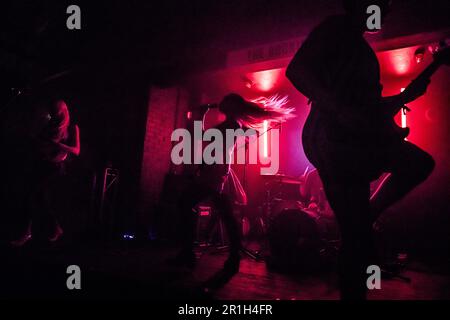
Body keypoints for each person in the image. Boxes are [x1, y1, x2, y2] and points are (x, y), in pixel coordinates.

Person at [286, 0, 435, 299]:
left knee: (360, 233)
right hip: (335, 140)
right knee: (358, 238)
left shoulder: (361, 48)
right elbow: (297, 70)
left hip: (351, 139)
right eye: (381, 6)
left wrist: (404, 96)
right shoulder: (337, 29)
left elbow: (366, 109)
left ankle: (367, 217)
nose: (387, 13)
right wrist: (338, 109)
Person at [172, 93, 293, 274]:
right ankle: (227, 255)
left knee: (188, 203)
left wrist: (201, 116)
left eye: (226, 100)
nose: (221, 102)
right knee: (223, 213)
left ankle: (193, 253)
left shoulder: (230, 125)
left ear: (232, 106)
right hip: (214, 173)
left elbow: (199, 136)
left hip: (214, 174)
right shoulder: (231, 125)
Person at [11, 99, 80, 246]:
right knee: (32, 196)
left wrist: (58, 144)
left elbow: (76, 150)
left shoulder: (72, 128)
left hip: (56, 166)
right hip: (43, 163)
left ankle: (47, 229)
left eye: (58, 112)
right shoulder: (50, 126)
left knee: (36, 195)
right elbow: (38, 142)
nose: (56, 115)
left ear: (64, 112)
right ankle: (32, 231)